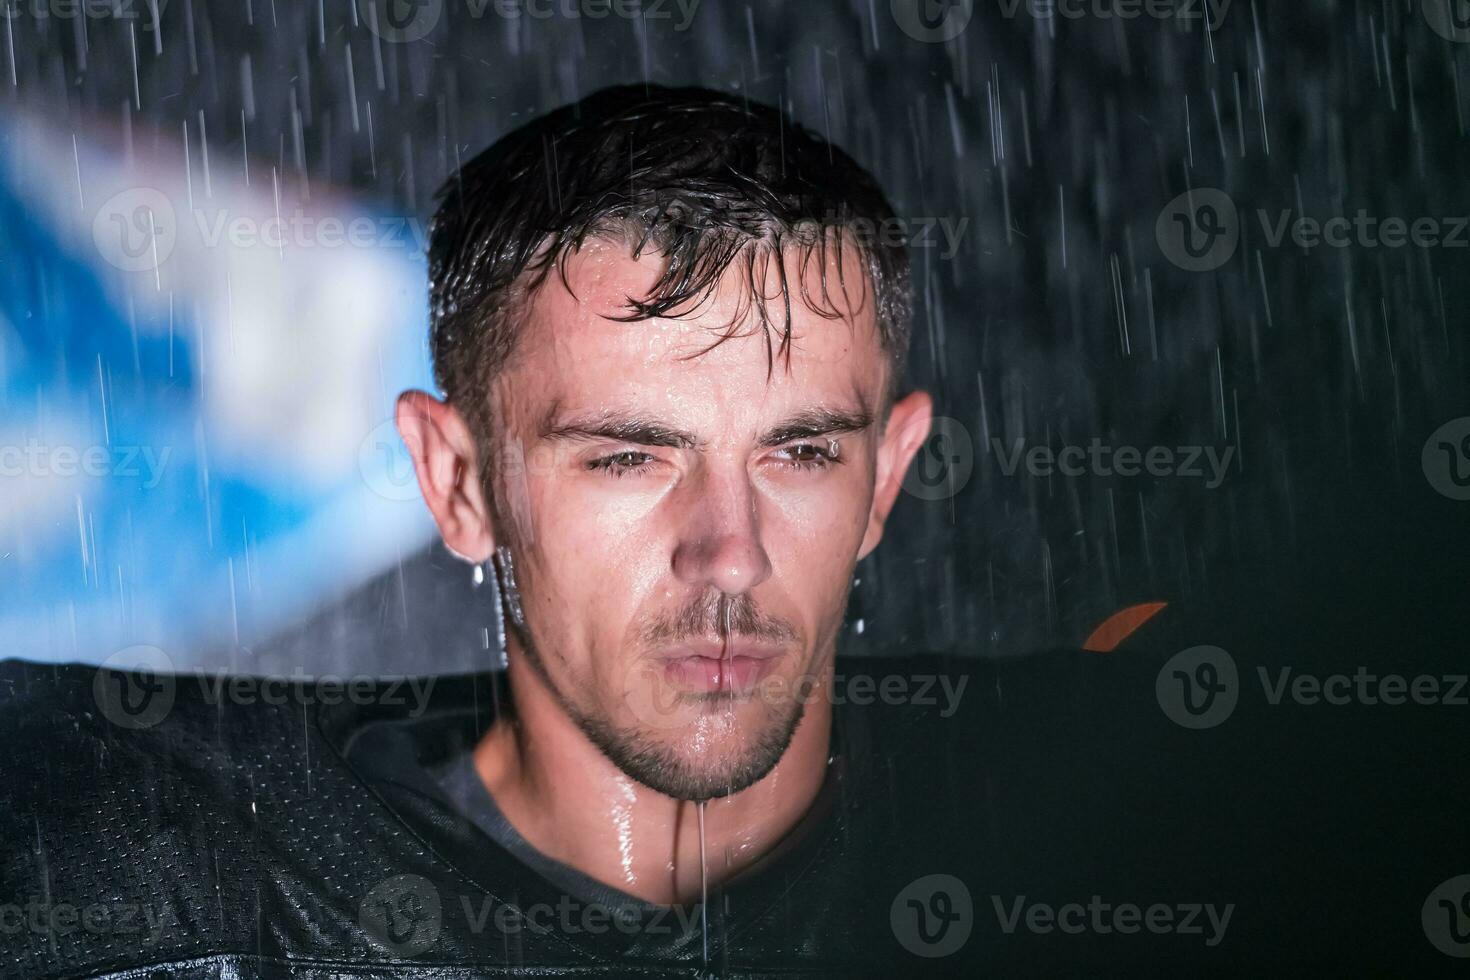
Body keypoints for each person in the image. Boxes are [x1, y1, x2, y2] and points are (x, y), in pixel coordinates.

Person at [2, 85, 1466, 979]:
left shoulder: (1174, 852)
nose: (729, 555)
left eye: (800, 453)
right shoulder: (107, 861)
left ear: (887, 478)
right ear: (454, 483)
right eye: (629, 457)